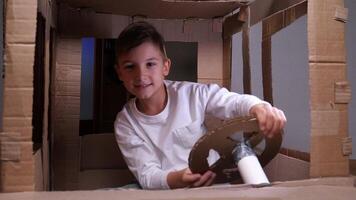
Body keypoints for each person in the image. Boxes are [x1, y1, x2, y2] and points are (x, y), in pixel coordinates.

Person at [114, 21, 286, 190]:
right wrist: (179, 178)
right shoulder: (126, 122)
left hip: (214, 184)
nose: (141, 74)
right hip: (170, 191)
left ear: (165, 67)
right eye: (130, 67)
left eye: (150, 64)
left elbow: (232, 102)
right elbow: (148, 175)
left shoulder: (192, 94)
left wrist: (258, 107)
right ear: (119, 73)